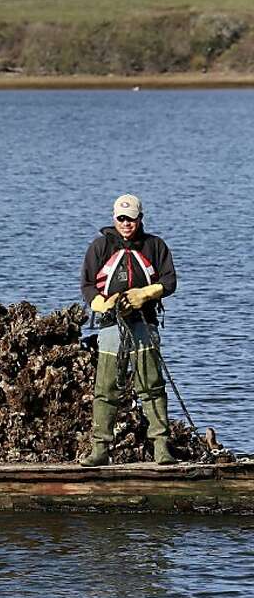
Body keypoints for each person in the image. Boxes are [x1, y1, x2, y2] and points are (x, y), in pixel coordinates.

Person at [79, 194, 177, 467]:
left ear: (140, 219)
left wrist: (145, 294)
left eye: (131, 218)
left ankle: (161, 446)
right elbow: (87, 285)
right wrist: (103, 303)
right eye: (121, 218)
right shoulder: (100, 247)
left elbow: (170, 281)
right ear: (114, 218)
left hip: (145, 324)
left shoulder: (154, 246)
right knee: (106, 387)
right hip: (111, 326)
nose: (126, 223)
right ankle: (100, 449)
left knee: (151, 385)